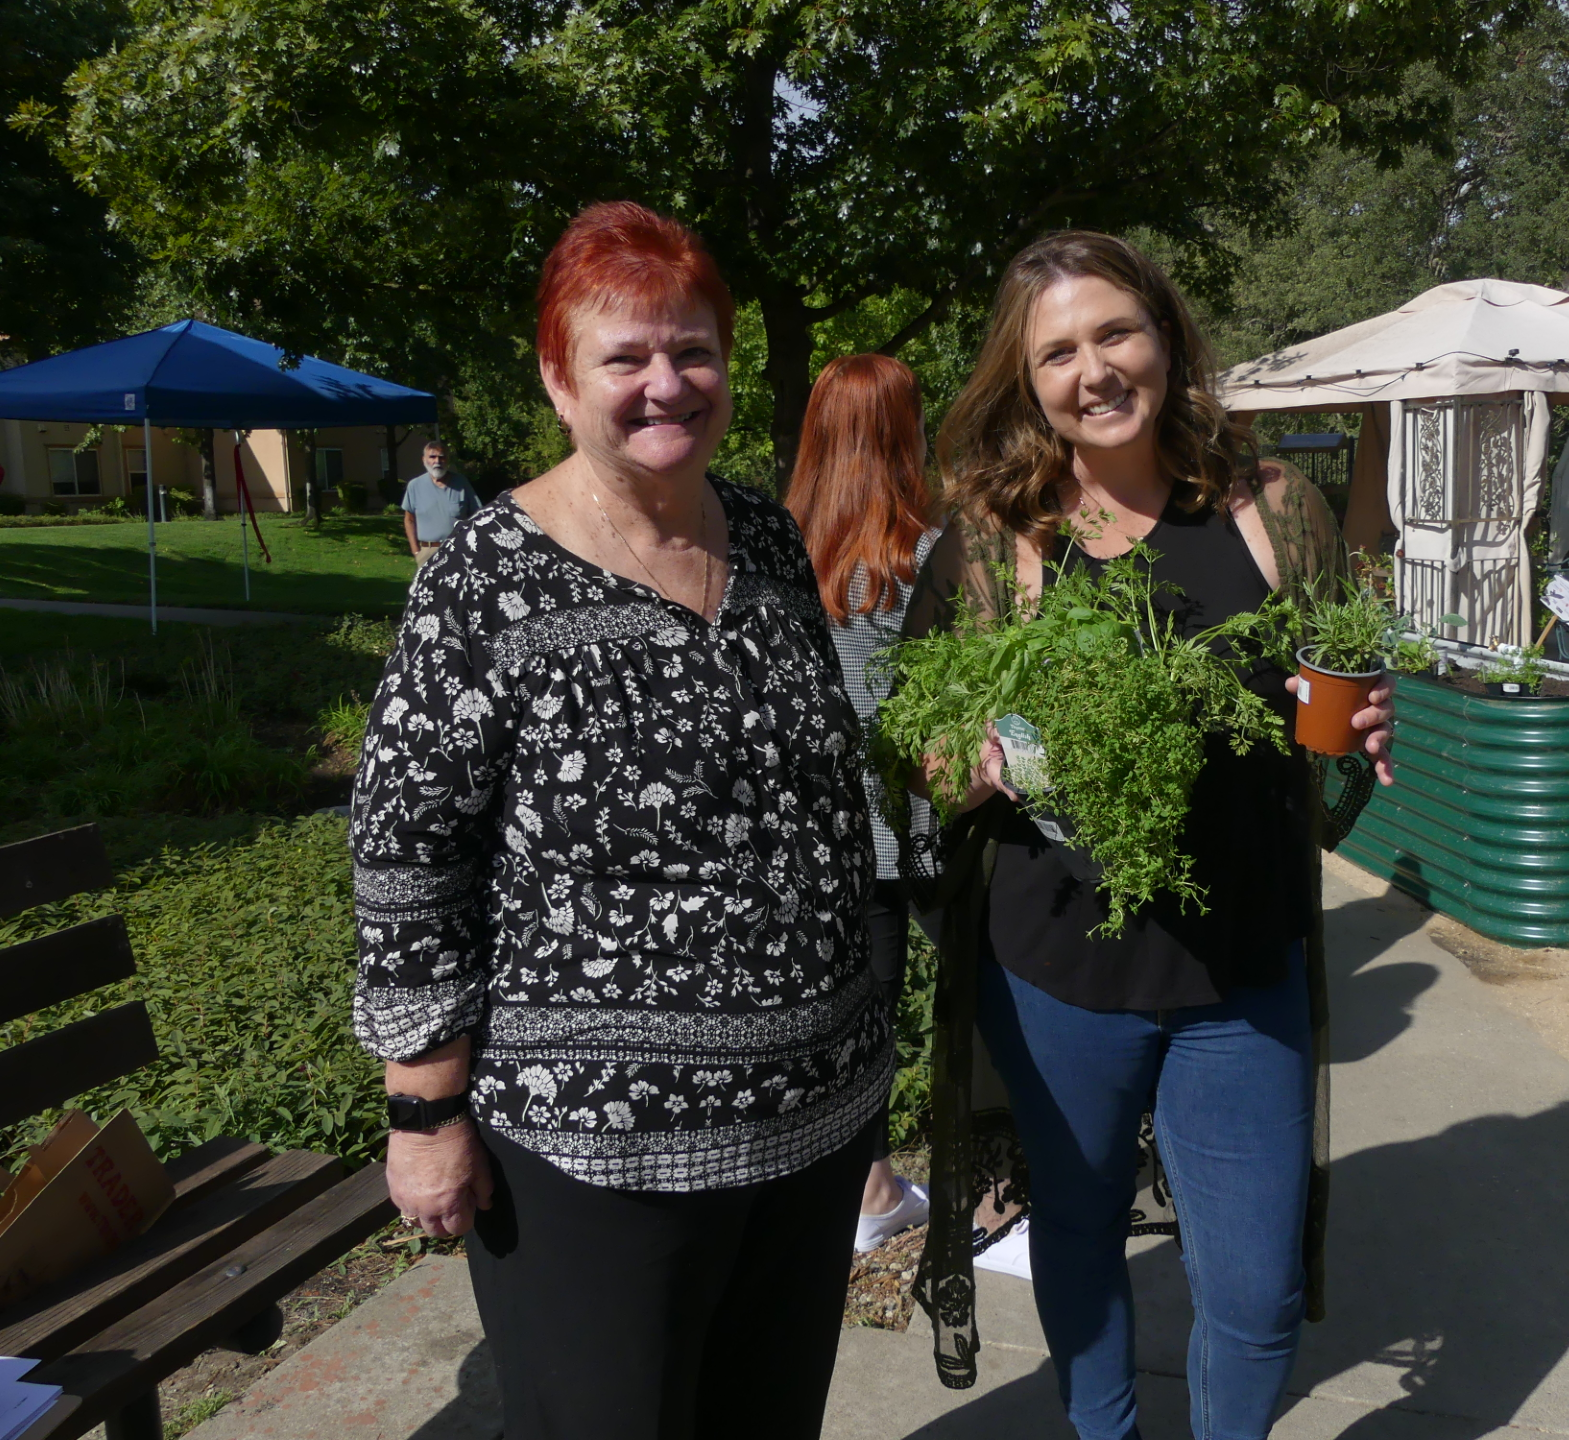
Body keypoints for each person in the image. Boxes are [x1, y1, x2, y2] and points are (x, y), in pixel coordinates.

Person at [350, 201, 889, 1440]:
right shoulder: (485, 581)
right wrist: (426, 1115)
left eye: (692, 350)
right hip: (598, 1153)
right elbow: (407, 862)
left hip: (809, 1122)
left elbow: (808, 789)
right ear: (556, 377)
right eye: (625, 357)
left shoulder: (763, 533)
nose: (666, 384)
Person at [897, 231, 1395, 1440]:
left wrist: (1364, 717)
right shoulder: (992, 533)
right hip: (1060, 967)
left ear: (1166, 335)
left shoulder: (1274, 509)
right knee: (1078, 1233)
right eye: (1056, 351)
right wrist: (968, 765)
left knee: (1257, 1289)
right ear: (1027, 380)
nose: (1094, 370)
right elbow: (914, 735)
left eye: (1116, 332)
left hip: (1240, 961)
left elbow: (1336, 691)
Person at [784, 353, 942, 1253]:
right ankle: (875, 1190)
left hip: (810, 831)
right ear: (899, 433)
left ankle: (854, 1177)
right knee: (920, 1004)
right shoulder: (923, 554)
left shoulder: (778, 548)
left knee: (842, 1009)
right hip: (905, 826)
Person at [400, 441, 480, 564]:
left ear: (447, 460)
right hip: (427, 552)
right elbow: (409, 520)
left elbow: (478, 516)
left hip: (458, 550)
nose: (437, 461)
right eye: (432, 457)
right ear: (424, 459)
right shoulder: (415, 486)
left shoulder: (461, 483)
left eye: (441, 457)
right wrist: (416, 551)